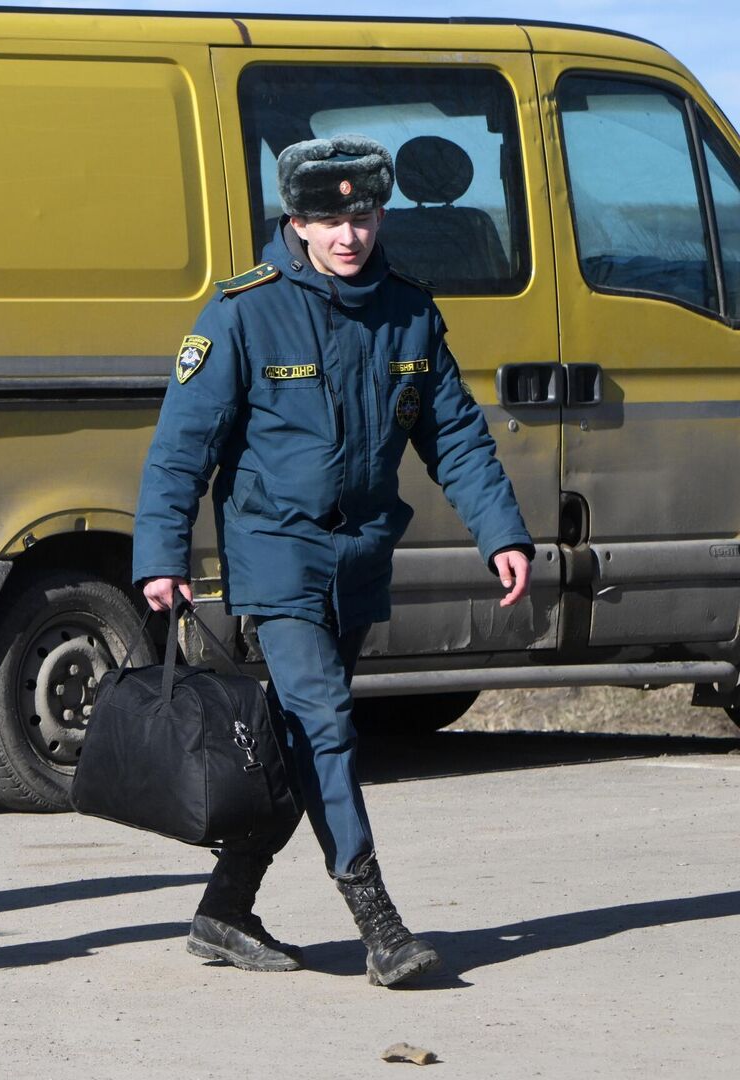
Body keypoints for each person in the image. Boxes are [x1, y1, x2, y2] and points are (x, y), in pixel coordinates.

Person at [131, 135, 534, 988]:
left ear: (379, 213)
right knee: (325, 726)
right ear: (296, 220)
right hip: (276, 554)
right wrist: (160, 556)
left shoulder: (409, 312)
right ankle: (376, 917)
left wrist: (502, 532)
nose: (347, 233)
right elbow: (180, 450)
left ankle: (225, 908)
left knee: (293, 741)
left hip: (359, 556)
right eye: (327, 217)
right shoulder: (244, 310)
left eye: (361, 214)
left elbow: (454, 432)